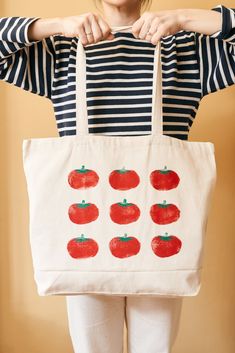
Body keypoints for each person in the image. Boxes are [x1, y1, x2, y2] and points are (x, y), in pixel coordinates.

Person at [0, 1, 234, 352]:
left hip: (161, 242)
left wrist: (184, 18)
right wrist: (56, 26)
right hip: (84, 241)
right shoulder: (62, 49)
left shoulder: (187, 49)